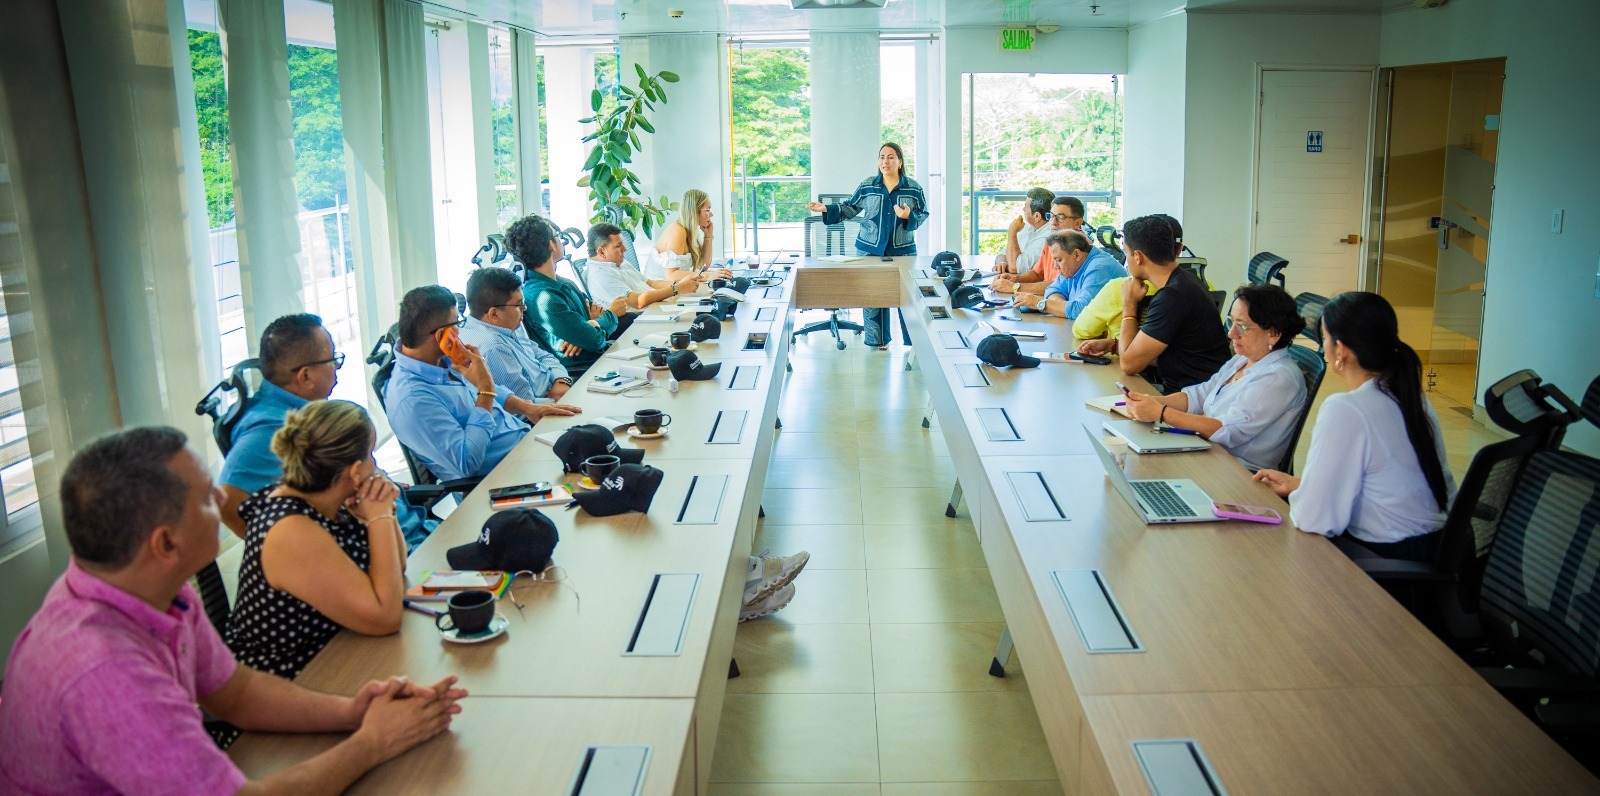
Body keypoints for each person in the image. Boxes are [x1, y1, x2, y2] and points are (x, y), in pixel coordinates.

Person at [0, 427, 466, 794]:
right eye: (207, 497)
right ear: (166, 543)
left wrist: (353, 712)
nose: (224, 499)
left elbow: (235, 692)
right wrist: (373, 743)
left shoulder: (151, 590)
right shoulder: (106, 673)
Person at [1253, 292, 1456, 562]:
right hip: (1439, 547)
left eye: (1324, 338)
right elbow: (1387, 484)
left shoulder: (1346, 409)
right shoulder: (1410, 396)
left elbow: (1314, 520)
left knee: (1265, 545)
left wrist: (1306, 495)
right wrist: (1304, 485)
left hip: (1388, 559)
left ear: (1341, 350)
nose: (1323, 346)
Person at [217, 314, 435, 549]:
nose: (337, 367)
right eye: (333, 359)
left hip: (411, 530)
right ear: (305, 376)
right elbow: (225, 500)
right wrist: (290, 551)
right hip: (404, 548)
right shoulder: (268, 428)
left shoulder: (302, 411)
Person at [227, 400, 409, 679]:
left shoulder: (322, 495)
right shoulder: (290, 529)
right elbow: (386, 618)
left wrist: (381, 511)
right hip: (295, 678)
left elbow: (398, 566)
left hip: (341, 651)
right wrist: (379, 516)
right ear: (354, 471)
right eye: (370, 455)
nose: (375, 465)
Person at [1120, 285, 1309, 471]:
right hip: (1209, 453)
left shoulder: (1278, 377)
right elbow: (1200, 395)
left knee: (1141, 469)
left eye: (1242, 326)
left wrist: (1161, 413)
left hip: (1238, 472)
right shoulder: (1243, 359)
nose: (1231, 333)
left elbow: (1227, 431)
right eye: (1231, 322)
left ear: (1273, 333)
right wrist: (1149, 402)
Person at [385, 286, 540, 481]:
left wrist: (529, 408)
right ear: (442, 335)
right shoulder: (412, 400)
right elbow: (467, 463)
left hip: (524, 446)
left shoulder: (442, 359)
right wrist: (485, 391)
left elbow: (485, 392)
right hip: (501, 479)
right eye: (458, 323)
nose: (460, 330)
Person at [1076, 214, 1230, 391]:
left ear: (1138, 257)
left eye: (1126, 253)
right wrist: (1113, 345)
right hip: (1200, 391)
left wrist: (1129, 305)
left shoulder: (1172, 297)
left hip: (1192, 398)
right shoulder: (1187, 281)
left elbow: (1129, 365)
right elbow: (1170, 352)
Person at [806, 142, 929, 349]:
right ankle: (878, 340)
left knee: (908, 296)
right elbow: (850, 208)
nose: (885, 161)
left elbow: (923, 213)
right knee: (873, 294)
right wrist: (825, 208)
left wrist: (909, 216)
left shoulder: (913, 188)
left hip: (903, 250)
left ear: (900, 162)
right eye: (882, 157)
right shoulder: (868, 185)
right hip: (869, 248)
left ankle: (914, 342)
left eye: (890, 157)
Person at [512, 213, 633, 377]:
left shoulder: (564, 283)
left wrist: (588, 327)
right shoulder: (543, 298)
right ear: (551, 245)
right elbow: (593, 340)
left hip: (604, 355)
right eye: (558, 236)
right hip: (589, 370)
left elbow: (594, 320)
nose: (562, 240)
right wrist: (597, 323)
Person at [460, 265, 588, 410]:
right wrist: (565, 399)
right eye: (519, 305)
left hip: (556, 390)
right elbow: (525, 407)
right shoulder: (493, 347)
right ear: (494, 314)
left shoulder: (508, 323)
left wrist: (561, 380)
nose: (524, 309)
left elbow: (544, 356)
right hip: (543, 410)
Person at [1011, 230, 1126, 320]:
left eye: (1059, 260)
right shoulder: (1074, 265)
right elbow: (1052, 289)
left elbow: (1082, 311)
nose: (1055, 266)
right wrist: (1062, 306)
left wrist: (1040, 304)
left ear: (1077, 254)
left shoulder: (1099, 268)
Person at [584, 222, 698, 309]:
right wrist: (676, 289)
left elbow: (651, 283)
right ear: (601, 252)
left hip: (657, 307)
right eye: (618, 246)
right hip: (641, 318)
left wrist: (681, 284)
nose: (625, 249)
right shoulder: (600, 275)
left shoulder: (620, 262)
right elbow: (637, 301)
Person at [995, 195, 1089, 295]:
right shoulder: (1054, 239)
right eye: (1051, 216)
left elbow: (1059, 286)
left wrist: (1015, 287)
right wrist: (1015, 279)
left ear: (1077, 223)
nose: (1053, 222)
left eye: (1061, 218)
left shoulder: (1080, 248)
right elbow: (1037, 273)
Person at [647, 189, 733, 283]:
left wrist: (708, 236)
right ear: (694, 212)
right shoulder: (677, 231)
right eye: (707, 210)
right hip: (658, 289)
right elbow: (671, 275)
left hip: (674, 287)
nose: (711, 214)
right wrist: (708, 276)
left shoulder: (690, 232)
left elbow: (702, 266)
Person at [990, 188, 1058, 284]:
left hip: (1030, 286)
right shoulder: (1028, 227)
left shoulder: (1048, 236)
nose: (1023, 209)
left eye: (1026, 206)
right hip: (1016, 281)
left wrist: (1012, 232)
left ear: (1037, 216)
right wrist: (1002, 263)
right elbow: (1003, 253)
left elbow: (1015, 267)